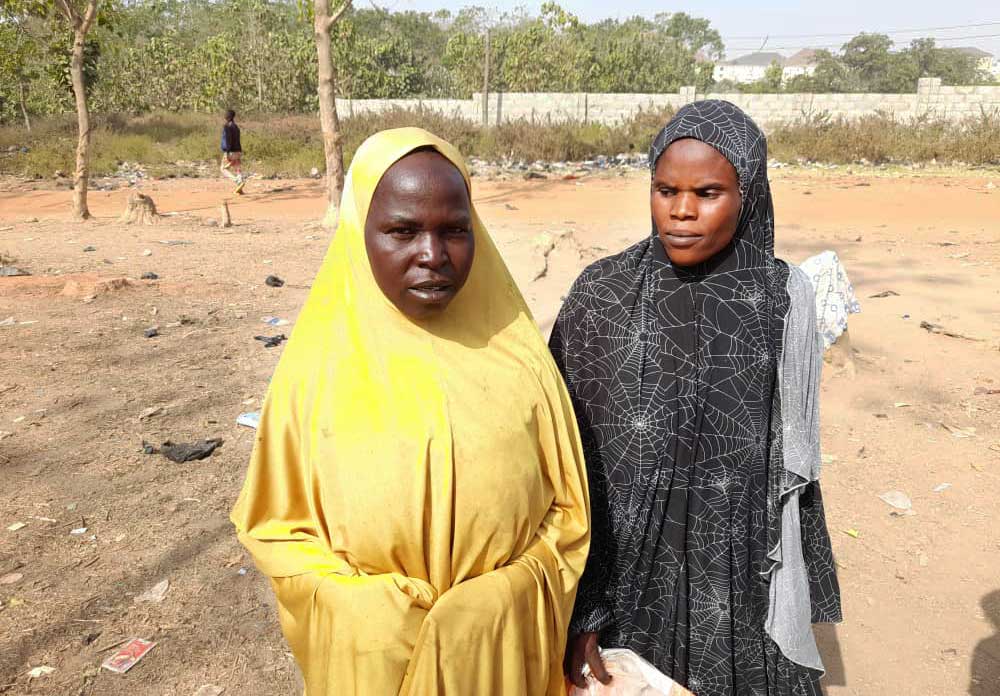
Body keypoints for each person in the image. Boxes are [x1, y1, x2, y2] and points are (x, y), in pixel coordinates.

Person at [231, 127, 590, 695]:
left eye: (455, 231)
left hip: (499, 661)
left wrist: (502, 596)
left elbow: (569, 513)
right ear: (359, 234)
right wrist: (365, 611)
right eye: (402, 231)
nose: (433, 256)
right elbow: (274, 528)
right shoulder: (313, 375)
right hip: (375, 664)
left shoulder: (522, 360)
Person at [551, 101, 842, 695]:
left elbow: (791, 471)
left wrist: (794, 587)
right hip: (624, 581)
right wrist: (582, 613)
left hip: (736, 581)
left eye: (707, 192)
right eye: (665, 190)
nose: (682, 211)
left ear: (748, 194)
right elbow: (564, 463)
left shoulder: (783, 300)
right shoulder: (601, 297)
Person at [220, 109, 244, 193]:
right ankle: (240, 186)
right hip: (238, 151)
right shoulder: (236, 127)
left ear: (228, 117)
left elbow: (228, 140)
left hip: (231, 151)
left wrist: (227, 152)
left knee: (223, 169)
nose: (224, 116)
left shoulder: (227, 127)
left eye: (226, 115)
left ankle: (237, 181)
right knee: (237, 168)